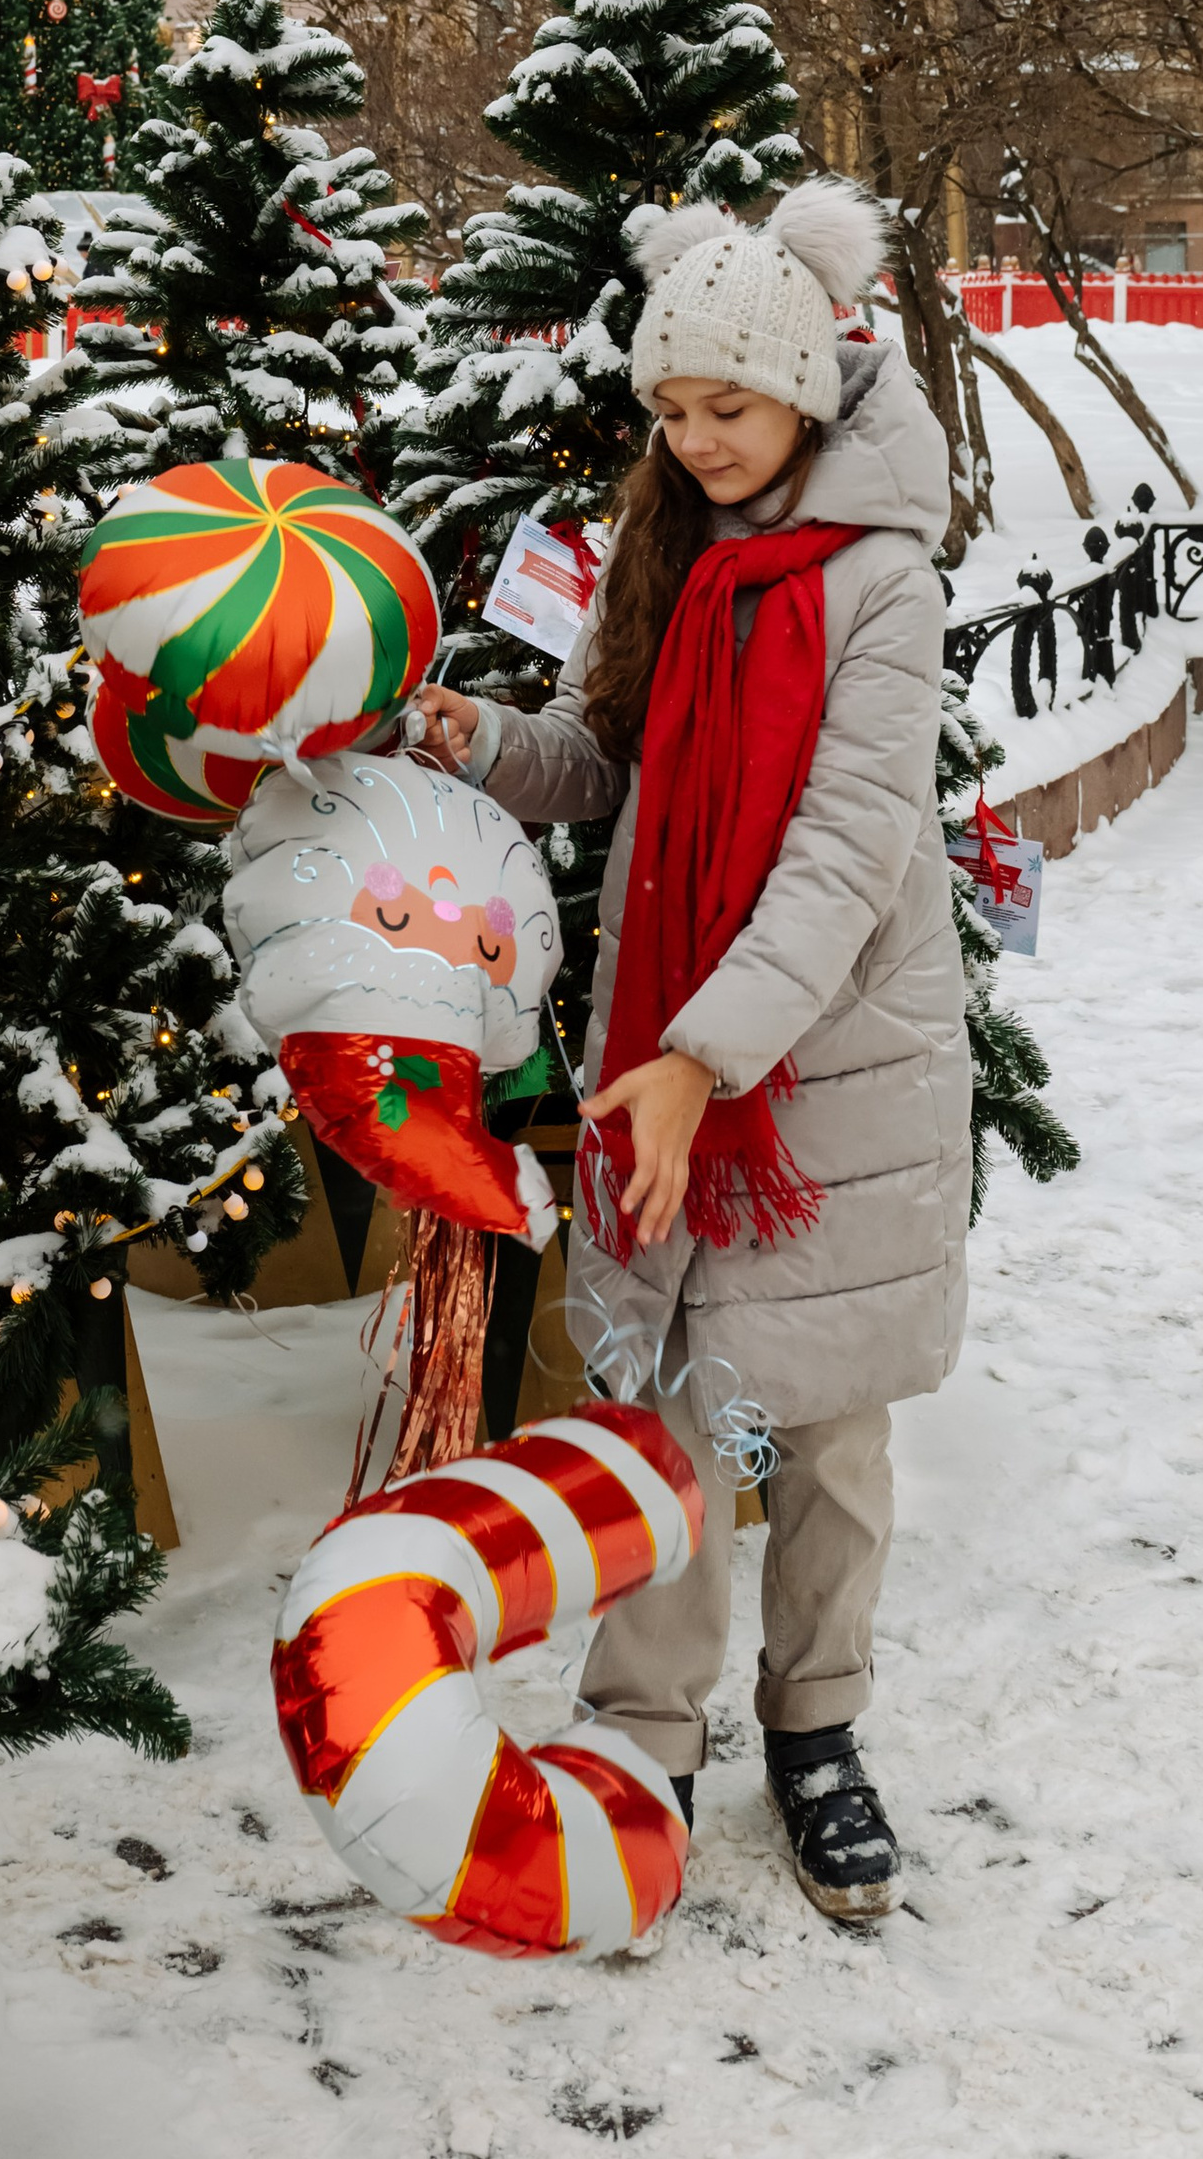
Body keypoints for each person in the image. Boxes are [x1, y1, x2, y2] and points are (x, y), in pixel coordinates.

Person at [409, 178, 966, 1925]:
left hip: (831, 1074)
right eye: (669, 406)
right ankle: (646, 1731)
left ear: (804, 382)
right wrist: (477, 736)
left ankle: (818, 1726)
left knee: (826, 1434)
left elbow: (847, 851)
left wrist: (704, 1059)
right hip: (673, 1051)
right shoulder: (667, 545)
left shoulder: (881, 580)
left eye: (725, 405)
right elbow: (603, 764)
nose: (696, 437)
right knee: (663, 1408)